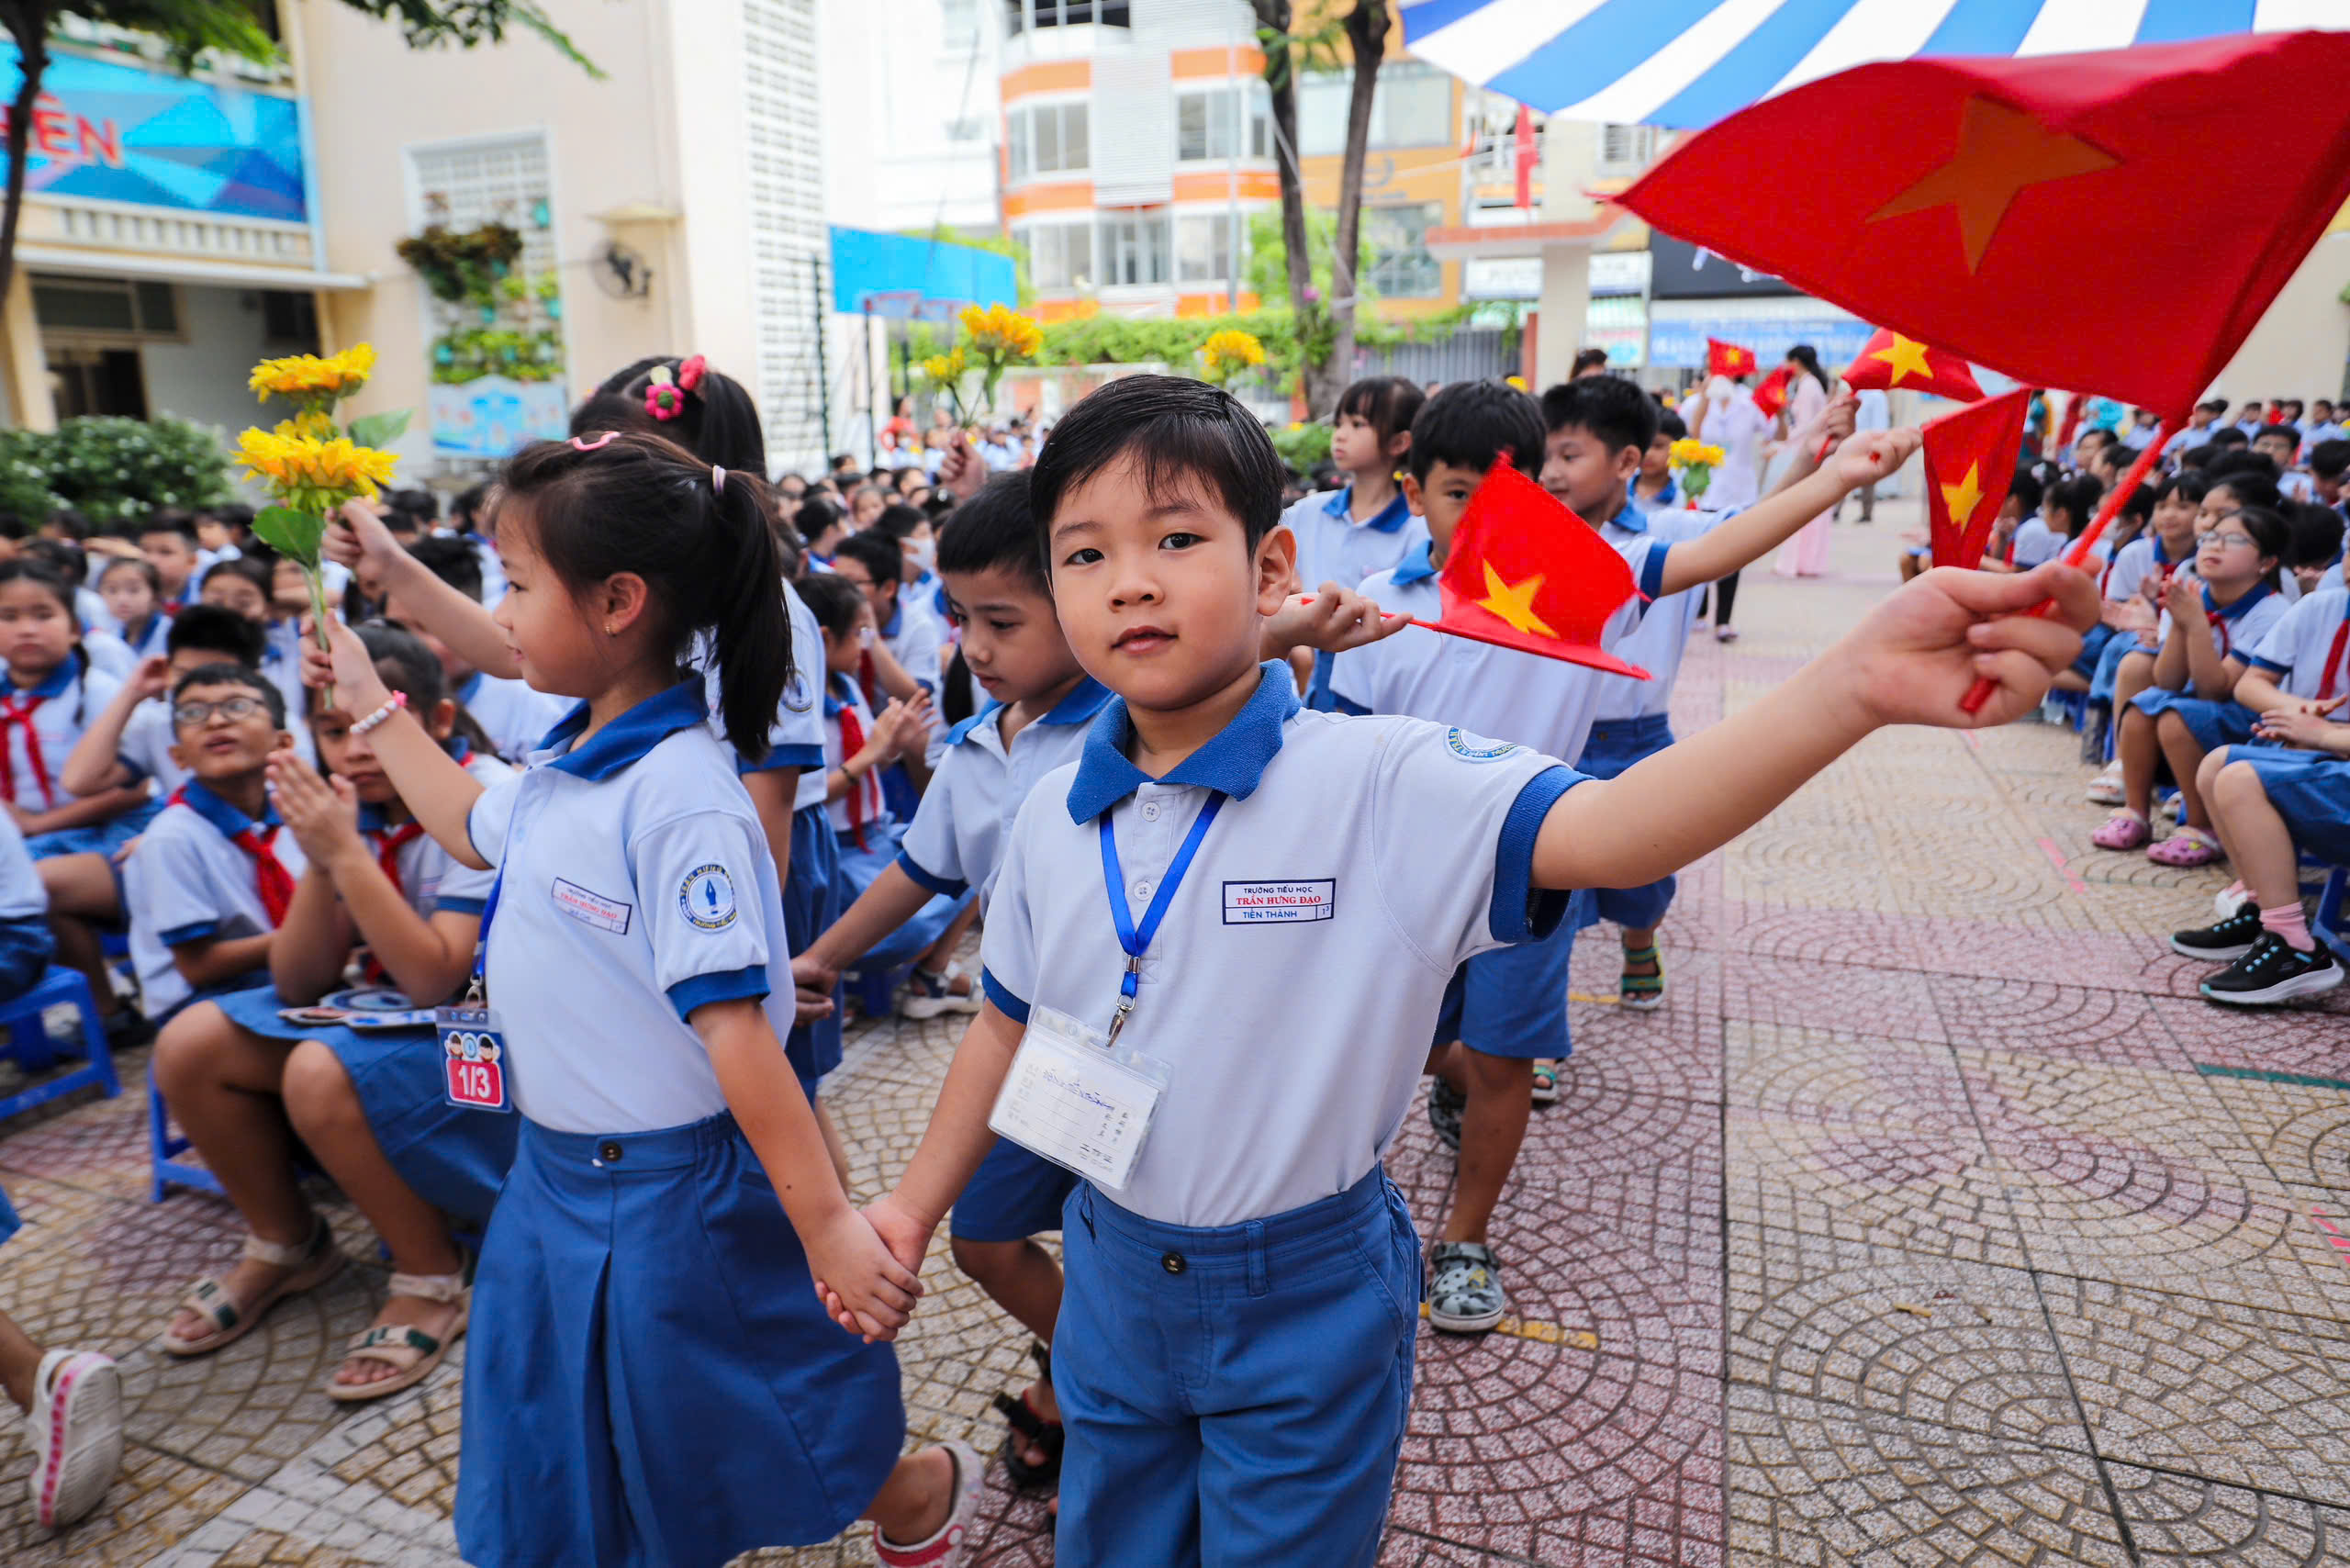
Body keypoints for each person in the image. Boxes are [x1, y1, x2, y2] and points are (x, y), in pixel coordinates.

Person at [833, 373, 2092, 1568]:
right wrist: (908, 1210)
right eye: (1086, 554)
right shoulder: (1056, 814)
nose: (1129, 585)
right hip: (1110, 1270)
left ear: (1274, 567)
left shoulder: (1375, 775)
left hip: (1306, 1290)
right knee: (1119, 1540)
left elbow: (1616, 826)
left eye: (1175, 539)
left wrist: (1853, 686)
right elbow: (1008, 1028)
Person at [309, 431, 980, 1567]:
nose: (500, 614)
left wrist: (826, 1224)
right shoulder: (571, 763)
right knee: (560, 1432)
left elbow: (736, 1034)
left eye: (516, 584)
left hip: (674, 1201)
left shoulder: (679, 798)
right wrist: (374, 702)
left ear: (619, 601)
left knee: (730, 1420)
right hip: (556, 1178)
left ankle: (913, 1492)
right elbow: (465, 814)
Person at [1322, 378, 1891, 1338]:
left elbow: (1715, 548)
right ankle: (1450, 1087)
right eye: (1463, 491)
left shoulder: (1580, 586)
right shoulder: (1378, 607)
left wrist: (1833, 476)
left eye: (1518, 490)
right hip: (1405, 882)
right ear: (1414, 490)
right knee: (1408, 1048)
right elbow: (1332, 752)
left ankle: (1463, 1239)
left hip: (1529, 871)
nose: (1493, 514)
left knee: (1507, 1064)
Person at [793, 473, 1110, 1497]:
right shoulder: (980, 747)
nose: (973, 646)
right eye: (964, 618)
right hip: (1021, 1049)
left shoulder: (1135, 728)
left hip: (1140, 1045)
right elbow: (917, 873)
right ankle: (1103, 1366)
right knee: (983, 1235)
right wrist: (823, 957)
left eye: (1002, 621)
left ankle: (1097, 1392)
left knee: (1127, 1238)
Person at [153, 626, 519, 1401]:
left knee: (321, 1074)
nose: (352, 749)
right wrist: (327, 856)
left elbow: (436, 982)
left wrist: (349, 858)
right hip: (403, 1020)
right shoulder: (351, 805)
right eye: (331, 731)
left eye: (371, 723)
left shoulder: (481, 797)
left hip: (503, 1038)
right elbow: (299, 982)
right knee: (191, 1043)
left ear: (437, 722)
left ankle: (429, 1273)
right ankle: (289, 1243)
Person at [44, 607, 268, 1040]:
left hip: (239, 865)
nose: (203, 702)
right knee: (48, 884)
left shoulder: (267, 724)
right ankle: (111, 1015)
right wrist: (132, 692)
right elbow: (79, 780)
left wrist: (162, 833)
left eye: (216, 679)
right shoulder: (157, 720)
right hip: (165, 855)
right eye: (183, 676)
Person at [2165, 584, 2348, 1004]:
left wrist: (2328, 736)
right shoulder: (2324, 604)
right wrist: (2303, 719)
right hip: (2331, 750)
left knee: (2240, 779)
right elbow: (2251, 684)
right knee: (2218, 765)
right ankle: (2265, 912)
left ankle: (2295, 949)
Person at [2093, 505, 2294, 863]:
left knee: (2177, 716)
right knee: (2143, 705)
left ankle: (2202, 826)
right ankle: (2136, 813)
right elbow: (2168, 680)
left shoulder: (2272, 612)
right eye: (2210, 538)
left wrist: (2196, 623)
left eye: (2233, 540)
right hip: (2205, 706)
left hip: (2253, 718)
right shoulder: (2193, 595)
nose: (2214, 547)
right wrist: (2183, 621)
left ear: (2265, 563)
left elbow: (2215, 688)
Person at [118, 664, 309, 1026]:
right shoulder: (171, 838)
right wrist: (316, 936)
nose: (216, 721)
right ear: (178, 756)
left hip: (276, 970)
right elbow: (197, 966)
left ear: (282, 741)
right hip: (200, 1001)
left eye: (237, 707)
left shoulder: (298, 812)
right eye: (193, 713)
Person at [0, 562, 155, 866]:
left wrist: (37, 826)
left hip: (102, 832)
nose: (27, 630)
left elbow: (139, 789)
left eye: (43, 616)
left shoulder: (103, 693)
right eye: (9, 617)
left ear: (74, 629)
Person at [385, 535, 565, 763]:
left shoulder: (528, 706)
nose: (407, 643)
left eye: (426, 627)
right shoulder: (379, 697)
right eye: (395, 627)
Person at [1277, 376, 1426, 591]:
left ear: (1399, 442)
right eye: (1339, 424)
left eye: (1357, 424)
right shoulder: (1307, 512)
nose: (1340, 435)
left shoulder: (1417, 530)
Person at [1684, 375, 1766, 639]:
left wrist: (1780, 405)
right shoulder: (1698, 403)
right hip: (1706, 489)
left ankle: (1723, 621)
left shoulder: (1749, 404)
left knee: (1734, 553)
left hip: (1739, 491)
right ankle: (1699, 612)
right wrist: (1705, 399)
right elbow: (1692, 436)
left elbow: (1774, 432)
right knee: (1702, 550)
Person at [1770, 345, 1836, 577]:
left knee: (1800, 507)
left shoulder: (1808, 386)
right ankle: (1805, 562)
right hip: (1810, 453)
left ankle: (1798, 562)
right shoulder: (1810, 384)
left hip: (1809, 455)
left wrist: (1782, 444)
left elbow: (1807, 425)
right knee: (1808, 509)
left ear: (1795, 362)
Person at [95, 557, 168, 660]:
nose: (122, 599)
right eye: (112, 590)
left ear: (155, 595)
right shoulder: (108, 635)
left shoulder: (169, 633)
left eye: (134, 590)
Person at [138, 510, 203, 609]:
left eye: (165, 552)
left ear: (192, 562)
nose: (151, 560)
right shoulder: (117, 601)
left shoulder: (205, 601)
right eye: (145, 550)